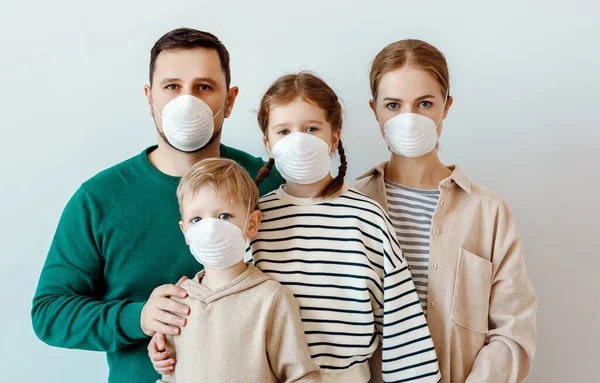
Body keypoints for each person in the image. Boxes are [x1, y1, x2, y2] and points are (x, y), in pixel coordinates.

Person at [150, 72, 441, 383]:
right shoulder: (255, 218)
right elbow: (223, 296)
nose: (298, 140)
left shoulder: (368, 216)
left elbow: (399, 317)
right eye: (284, 131)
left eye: (312, 129)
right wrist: (174, 340)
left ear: (334, 137)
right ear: (269, 144)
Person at [31, 28, 283, 383]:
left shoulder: (266, 182)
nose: (187, 101)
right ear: (150, 98)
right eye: (172, 87)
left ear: (229, 100)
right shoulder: (100, 199)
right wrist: (138, 318)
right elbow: (49, 314)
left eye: (203, 87)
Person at [354, 39, 537, 382]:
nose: (409, 119)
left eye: (424, 103)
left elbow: (513, 331)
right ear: (374, 109)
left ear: (446, 106)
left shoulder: (488, 212)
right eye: (393, 105)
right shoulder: (350, 207)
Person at [159, 157, 321, 383]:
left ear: (252, 223)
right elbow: (169, 374)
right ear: (184, 230)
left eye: (224, 216)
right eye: (196, 219)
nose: (210, 228)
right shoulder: (179, 300)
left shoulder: (271, 299)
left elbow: (301, 376)